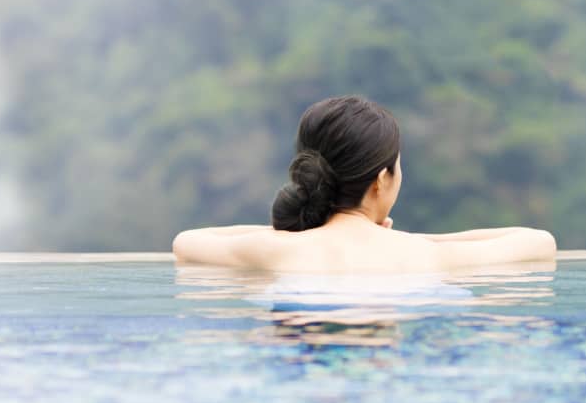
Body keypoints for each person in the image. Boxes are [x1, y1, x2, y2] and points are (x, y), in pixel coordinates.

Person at [172, 95, 557, 272]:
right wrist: (408, 237)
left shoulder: (274, 251)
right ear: (380, 181)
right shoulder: (423, 256)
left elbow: (186, 242)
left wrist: (290, 233)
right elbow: (540, 242)